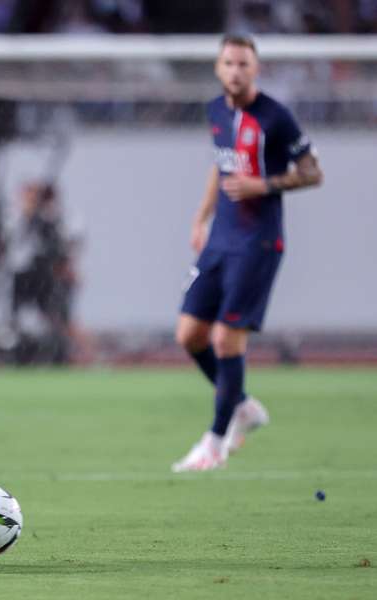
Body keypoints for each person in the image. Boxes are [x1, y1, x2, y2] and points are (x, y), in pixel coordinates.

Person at [172, 34, 323, 472]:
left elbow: (313, 172)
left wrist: (265, 185)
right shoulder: (216, 111)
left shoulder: (276, 117)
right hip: (220, 237)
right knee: (189, 335)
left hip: (258, 242)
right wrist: (201, 218)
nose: (235, 71)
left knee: (225, 339)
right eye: (229, 63)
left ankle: (215, 442)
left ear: (255, 69)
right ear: (218, 69)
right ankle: (242, 406)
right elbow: (220, 167)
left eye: (243, 64)